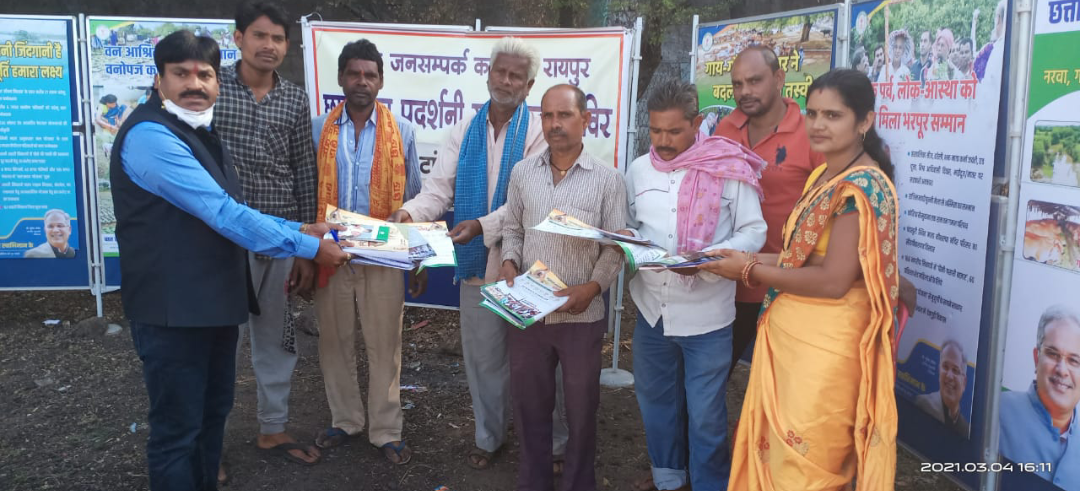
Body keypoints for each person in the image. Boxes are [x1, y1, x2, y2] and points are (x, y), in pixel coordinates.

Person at [109, 30, 349, 491]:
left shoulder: (200, 131)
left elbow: (231, 206)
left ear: (217, 83)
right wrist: (308, 246)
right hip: (172, 312)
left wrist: (300, 229)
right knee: (178, 432)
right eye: (181, 74)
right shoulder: (150, 137)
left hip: (212, 305)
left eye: (204, 75)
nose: (194, 85)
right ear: (159, 80)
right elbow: (221, 213)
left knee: (211, 417)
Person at [700, 68, 900, 490]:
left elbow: (833, 280)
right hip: (791, 346)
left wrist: (748, 270)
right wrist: (743, 257)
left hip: (825, 357)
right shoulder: (824, 176)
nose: (818, 125)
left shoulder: (860, 189)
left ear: (864, 121)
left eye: (833, 115)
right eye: (812, 114)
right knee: (776, 461)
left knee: (805, 470)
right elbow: (799, 259)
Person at [387, 36, 570, 472]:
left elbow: (531, 200)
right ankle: (490, 437)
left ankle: (556, 444)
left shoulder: (539, 132)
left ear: (528, 86)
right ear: (488, 75)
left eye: (515, 76)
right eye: (499, 72)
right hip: (477, 266)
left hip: (530, 265)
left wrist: (481, 227)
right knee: (484, 359)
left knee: (542, 362)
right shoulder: (464, 129)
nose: (505, 81)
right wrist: (410, 214)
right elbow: (438, 190)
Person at [624, 80, 766, 491]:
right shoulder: (638, 169)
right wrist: (628, 239)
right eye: (655, 131)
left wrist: (705, 259)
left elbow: (754, 230)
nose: (663, 141)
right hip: (653, 311)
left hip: (708, 316)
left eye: (674, 131)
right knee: (656, 402)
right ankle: (669, 479)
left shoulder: (727, 166)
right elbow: (631, 224)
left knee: (705, 415)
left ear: (697, 122)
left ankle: (708, 483)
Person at [213, 1, 322, 476]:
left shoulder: (295, 99)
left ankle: (273, 427)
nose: (269, 46)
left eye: (278, 39)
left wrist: (305, 247)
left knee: (277, 340)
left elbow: (303, 171)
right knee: (219, 344)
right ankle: (208, 444)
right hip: (222, 241)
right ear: (238, 38)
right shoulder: (213, 88)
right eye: (260, 35)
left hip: (280, 238)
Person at [500, 83, 626, 491]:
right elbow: (512, 228)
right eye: (548, 116)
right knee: (529, 407)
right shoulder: (523, 173)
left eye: (565, 115)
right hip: (528, 313)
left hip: (581, 315)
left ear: (585, 120)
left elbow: (615, 247)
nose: (555, 124)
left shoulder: (608, 180)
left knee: (582, 409)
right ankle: (534, 481)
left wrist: (593, 287)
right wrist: (508, 262)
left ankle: (578, 483)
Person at [308, 38, 424, 466]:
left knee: (384, 344)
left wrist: (417, 259)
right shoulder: (319, 128)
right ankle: (345, 419)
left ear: (380, 81)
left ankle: (386, 430)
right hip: (331, 255)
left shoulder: (402, 131)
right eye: (354, 74)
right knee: (334, 341)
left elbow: (413, 199)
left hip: (383, 258)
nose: (362, 81)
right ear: (341, 78)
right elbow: (307, 192)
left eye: (369, 75)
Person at [713, 45, 823, 383]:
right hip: (729, 282)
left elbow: (830, 207)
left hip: (786, 283)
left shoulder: (809, 132)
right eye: (737, 84)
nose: (744, 91)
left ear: (779, 78)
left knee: (783, 385)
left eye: (754, 81)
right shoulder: (725, 130)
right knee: (708, 381)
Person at [999, 305, 1080, 490]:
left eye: (1074, 360)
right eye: (1053, 354)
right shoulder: (997, 411)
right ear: (1037, 358)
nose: (1062, 370)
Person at [914, 340, 971, 436]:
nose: (949, 376)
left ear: (964, 383)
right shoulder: (923, 405)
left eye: (955, 370)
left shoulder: (966, 430)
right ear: (939, 370)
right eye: (945, 367)